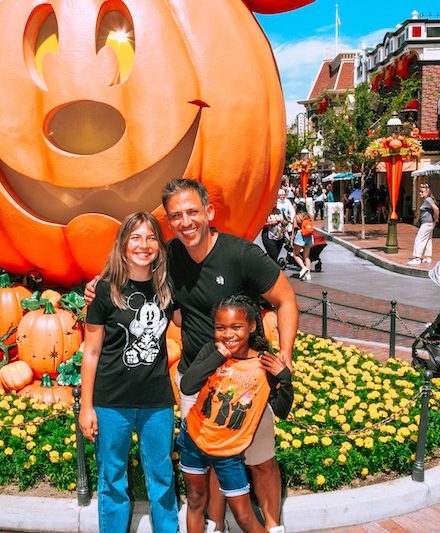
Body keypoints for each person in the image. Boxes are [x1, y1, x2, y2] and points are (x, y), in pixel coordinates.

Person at [86, 179, 298, 533]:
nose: (185, 222)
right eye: (176, 216)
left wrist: (286, 356)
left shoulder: (241, 255)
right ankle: (216, 525)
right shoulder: (171, 257)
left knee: (260, 460)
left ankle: (273, 526)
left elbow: (286, 299)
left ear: (209, 212)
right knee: (210, 461)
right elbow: (134, 267)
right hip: (196, 379)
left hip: (247, 379)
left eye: (192, 212)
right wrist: (99, 283)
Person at [79, 212, 178, 533]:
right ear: (122, 245)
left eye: (150, 237)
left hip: (157, 402)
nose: (143, 244)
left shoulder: (167, 289)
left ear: (159, 247)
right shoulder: (104, 291)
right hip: (112, 403)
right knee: (112, 479)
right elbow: (91, 352)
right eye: (135, 237)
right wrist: (86, 406)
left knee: (162, 478)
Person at [178, 295, 293, 533]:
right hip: (194, 439)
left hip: (228, 451)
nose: (228, 334)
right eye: (221, 328)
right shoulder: (212, 351)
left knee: (244, 516)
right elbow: (188, 385)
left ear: (252, 326)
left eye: (236, 327)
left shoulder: (263, 363)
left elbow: (281, 410)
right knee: (196, 500)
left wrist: (284, 380)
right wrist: (219, 356)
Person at [408, 183, 439, 266]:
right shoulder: (428, 200)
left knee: (419, 239)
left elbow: (436, 209)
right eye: (419, 191)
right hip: (429, 223)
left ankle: (417, 258)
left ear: (426, 192)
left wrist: (436, 219)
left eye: (422, 191)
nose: (420, 193)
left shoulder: (428, 200)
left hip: (427, 223)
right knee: (428, 240)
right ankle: (428, 257)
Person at [292, 209, 313, 281]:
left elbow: (294, 227)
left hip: (300, 235)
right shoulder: (309, 216)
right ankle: (308, 275)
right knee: (306, 256)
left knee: (295, 254)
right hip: (309, 236)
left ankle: (304, 267)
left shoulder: (297, 216)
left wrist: (292, 239)